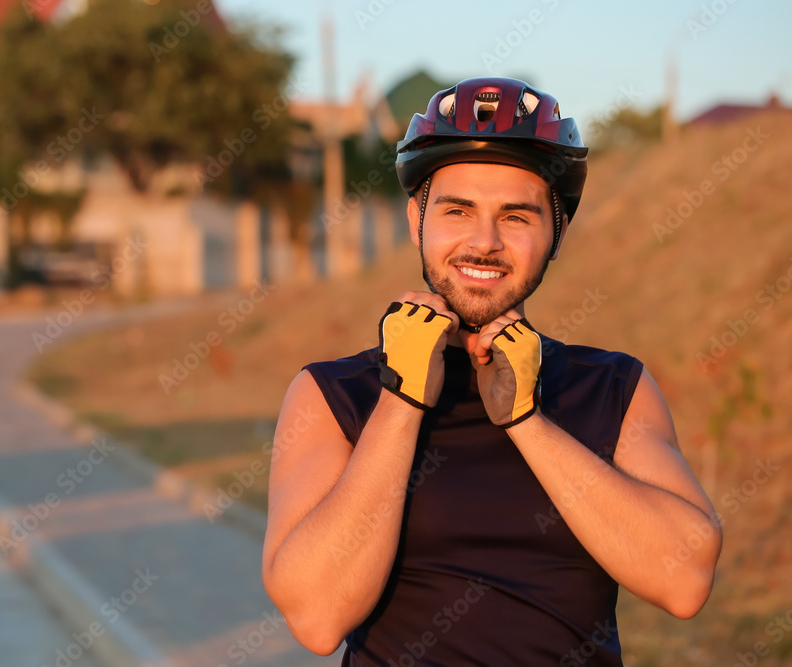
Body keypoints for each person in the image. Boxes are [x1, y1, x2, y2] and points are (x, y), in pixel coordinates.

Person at [261, 77, 721, 665]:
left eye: (517, 217)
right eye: (457, 211)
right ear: (416, 220)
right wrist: (401, 402)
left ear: (556, 233)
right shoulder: (335, 395)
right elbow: (317, 617)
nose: (484, 242)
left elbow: (684, 582)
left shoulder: (610, 387)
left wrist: (528, 422)